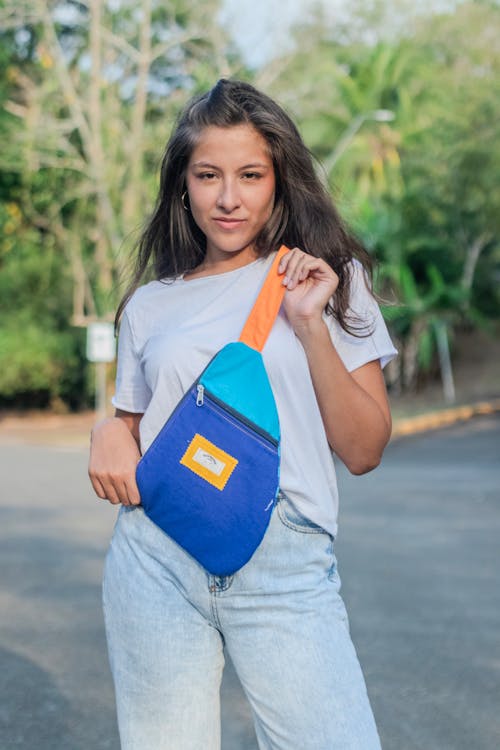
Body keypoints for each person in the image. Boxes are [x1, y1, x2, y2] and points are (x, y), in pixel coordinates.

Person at [88, 78, 397, 750]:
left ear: (280, 182)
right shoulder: (150, 305)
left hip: (284, 561)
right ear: (183, 186)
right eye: (208, 175)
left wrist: (310, 326)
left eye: (250, 175)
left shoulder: (328, 279)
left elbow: (365, 448)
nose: (229, 198)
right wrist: (107, 431)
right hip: (157, 556)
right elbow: (135, 427)